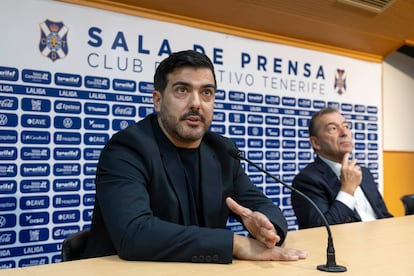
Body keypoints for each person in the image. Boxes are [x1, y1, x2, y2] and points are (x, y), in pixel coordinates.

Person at [83, 50, 307, 263]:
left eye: (206, 93)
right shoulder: (128, 148)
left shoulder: (221, 150)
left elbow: (262, 205)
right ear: (158, 100)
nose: (196, 103)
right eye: (182, 90)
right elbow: (134, 233)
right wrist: (234, 244)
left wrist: (268, 229)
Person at [291, 107, 393, 229]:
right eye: (333, 128)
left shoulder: (363, 172)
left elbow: (384, 216)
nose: (344, 133)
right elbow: (322, 231)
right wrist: (347, 190)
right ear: (316, 143)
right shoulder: (307, 181)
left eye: (346, 126)